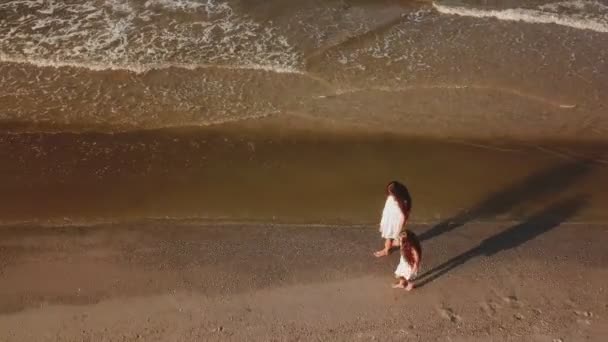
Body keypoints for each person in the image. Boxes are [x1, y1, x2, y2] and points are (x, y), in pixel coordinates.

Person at [374, 181, 412, 257]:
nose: (389, 194)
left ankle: (386, 250)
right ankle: (399, 243)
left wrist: (397, 229)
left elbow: (402, 217)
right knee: (396, 238)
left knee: (388, 239)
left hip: (393, 225)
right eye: (389, 192)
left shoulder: (402, 203)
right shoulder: (402, 199)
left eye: (391, 193)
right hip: (390, 222)